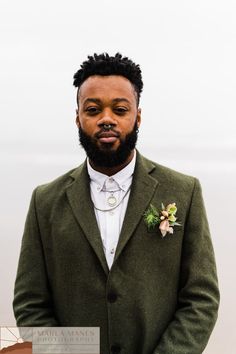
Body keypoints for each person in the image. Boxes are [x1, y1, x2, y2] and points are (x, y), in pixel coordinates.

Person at [13, 53, 220, 354]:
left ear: (137, 116)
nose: (106, 119)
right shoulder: (44, 201)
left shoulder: (184, 191)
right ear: (78, 117)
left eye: (120, 109)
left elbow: (201, 298)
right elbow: (30, 303)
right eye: (93, 109)